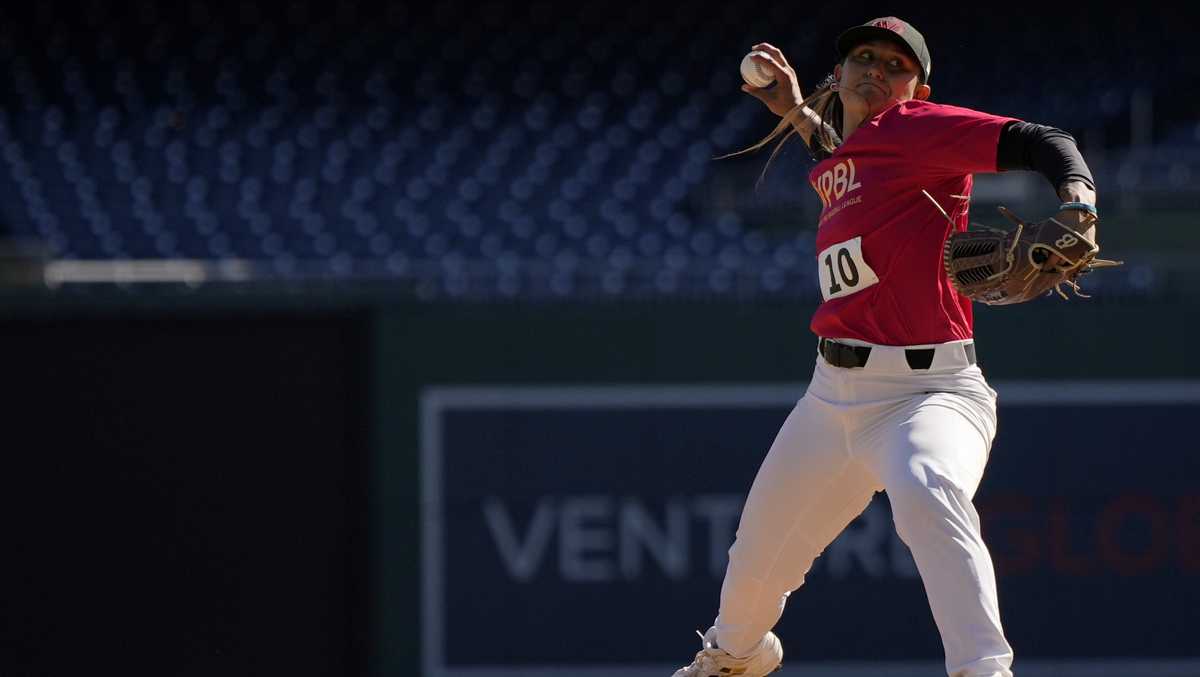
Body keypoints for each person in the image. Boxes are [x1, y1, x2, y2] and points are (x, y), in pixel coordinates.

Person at [672, 16, 1100, 677]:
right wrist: (795, 112)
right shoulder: (854, 150)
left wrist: (1079, 205)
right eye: (862, 57)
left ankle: (984, 668)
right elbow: (852, 160)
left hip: (930, 394)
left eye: (895, 65)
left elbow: (1046, 141)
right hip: (829, 397)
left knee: (926, 488)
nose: (875, 68)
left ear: (918, 90)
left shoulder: (918, 129)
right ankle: (735, 657)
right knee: (752, 570)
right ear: (836, 76)